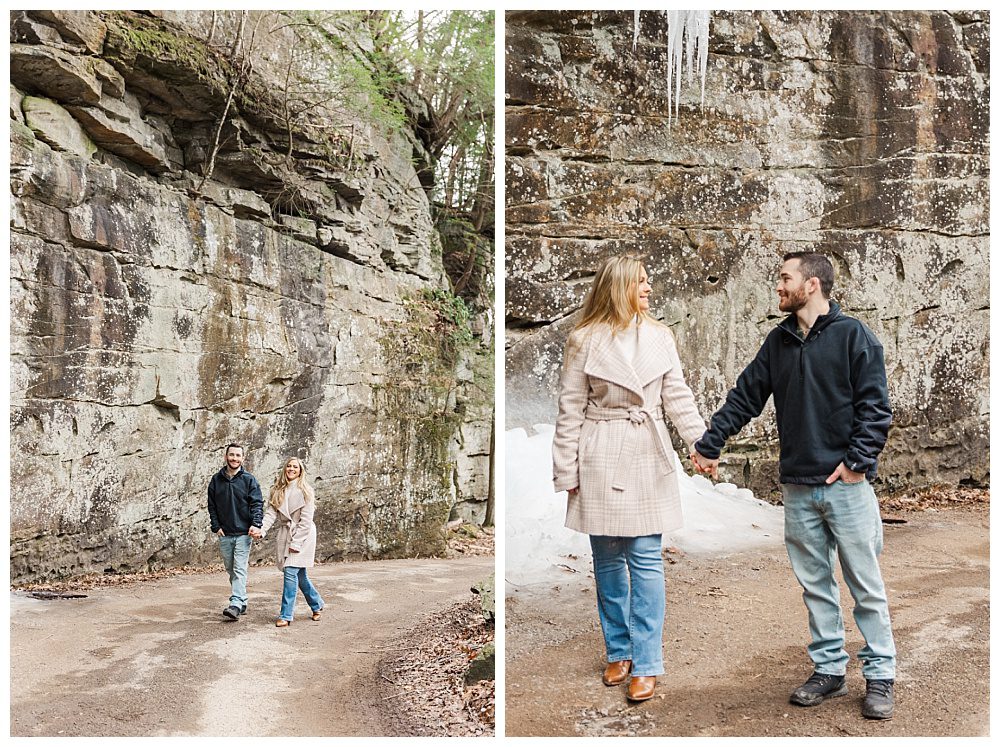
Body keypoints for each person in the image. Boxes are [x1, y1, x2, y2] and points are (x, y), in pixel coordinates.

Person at [691, 252, 896, 720]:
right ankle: (829, 670)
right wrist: (710, 443)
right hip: (798, 488)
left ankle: (880, 675)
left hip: (846, 486)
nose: (779, 285)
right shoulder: (779, 341)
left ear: (813, 284)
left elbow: (875, 407)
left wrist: (857, 464)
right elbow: (746, 395)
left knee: (865, 585)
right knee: (816, 585)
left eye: (786, 278)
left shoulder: (853, 336)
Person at [552, 254, 707, 702]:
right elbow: (570, 410)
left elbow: (677, 395)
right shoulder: (583, 340)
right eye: (640, 281)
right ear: (619, 286)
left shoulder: (660, 336)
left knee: (646, 557)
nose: (649, 288)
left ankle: (648, 660)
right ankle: (617, 650)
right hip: (600, 451)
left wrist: (701, 444)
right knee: (606, 559)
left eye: (648, 279)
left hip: (645, 449)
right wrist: (567, 469)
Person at [259, 456, 324, 627]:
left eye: (295, 466)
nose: (291, 469)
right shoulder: (277, 490)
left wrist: (296, 543)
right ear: (285, 469)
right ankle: (317, 605)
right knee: (300, 575)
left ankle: (286, 615)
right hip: (286, 534)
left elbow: (306, 521)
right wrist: (261, 530)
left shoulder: (306, 491)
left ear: (300, 471)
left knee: (290, 573)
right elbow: (271, 514)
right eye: (289, 466)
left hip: (303, 536)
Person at [207, 443, 264, 620]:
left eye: (238, 456)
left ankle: (235, 604)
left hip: (243, 533)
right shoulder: (216, 480)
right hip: (225, 534)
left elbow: (257, 504)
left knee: (239, 568)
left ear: (242, 458)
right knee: (231, 569)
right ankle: (242, 599)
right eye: (231, 455)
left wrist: (255, 524)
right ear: (226, 457)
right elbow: (212, 505)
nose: (234, 458)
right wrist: (216, 526)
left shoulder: (249, 480)